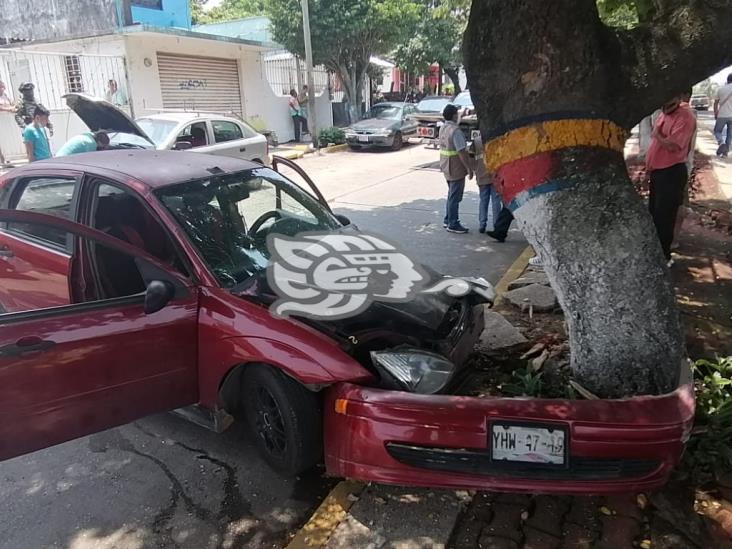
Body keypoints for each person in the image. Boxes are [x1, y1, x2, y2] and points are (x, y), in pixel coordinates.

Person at [646, 92, 697, 266]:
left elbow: (674, 145)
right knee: (654, 213)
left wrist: (657, 134)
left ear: (678, 97)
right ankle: (656, 252)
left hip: (671, 172)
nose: (665, 108)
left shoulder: (685, 116)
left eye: (668, 104)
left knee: (665, 217)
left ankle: (665, 256)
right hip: (658, 171)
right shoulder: (664, 112)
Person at [439, 104, 473, 233]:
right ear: (454, 115)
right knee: (455, 197)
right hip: (456, 167)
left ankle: (448, 219)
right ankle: (453, 223)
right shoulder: (455, 131)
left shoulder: (443, 128)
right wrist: (469, 168)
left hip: (446, 166)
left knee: (451, 195)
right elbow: (462, 152)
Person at [671, 90, 697, 250]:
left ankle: (672, 240)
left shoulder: (685, 115)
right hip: (679, 166)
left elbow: (678, 145)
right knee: (676, 203)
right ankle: (672, 239)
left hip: (677, 166)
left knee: (677, 204)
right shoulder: (687, 114)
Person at [470, 134, 502, 233]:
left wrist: (473, 169)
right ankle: (497, 224)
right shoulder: (496, 139)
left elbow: (471, 157)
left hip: (481, 175)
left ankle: (482, 224)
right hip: (494, 174)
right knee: (496, 201)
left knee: (483, 200)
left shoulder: (476, 141)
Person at [714, 73, 732, 157]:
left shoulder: (721, 89)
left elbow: (716, 103)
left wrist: (715, 113)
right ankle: (725, 153)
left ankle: (721, 142)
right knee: (730, 135)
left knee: (717, 131)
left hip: (722, 114)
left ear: (727, 80)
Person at [0, 81, 14, 166]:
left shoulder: (5, 96)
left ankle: (8, 159)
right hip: (1, 120)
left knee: (8, 139)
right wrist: (8, 109)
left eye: (3, 87)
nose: (3, 89)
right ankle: (3, 160)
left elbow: (12, 103)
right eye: (1, 87)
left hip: (8, 121)